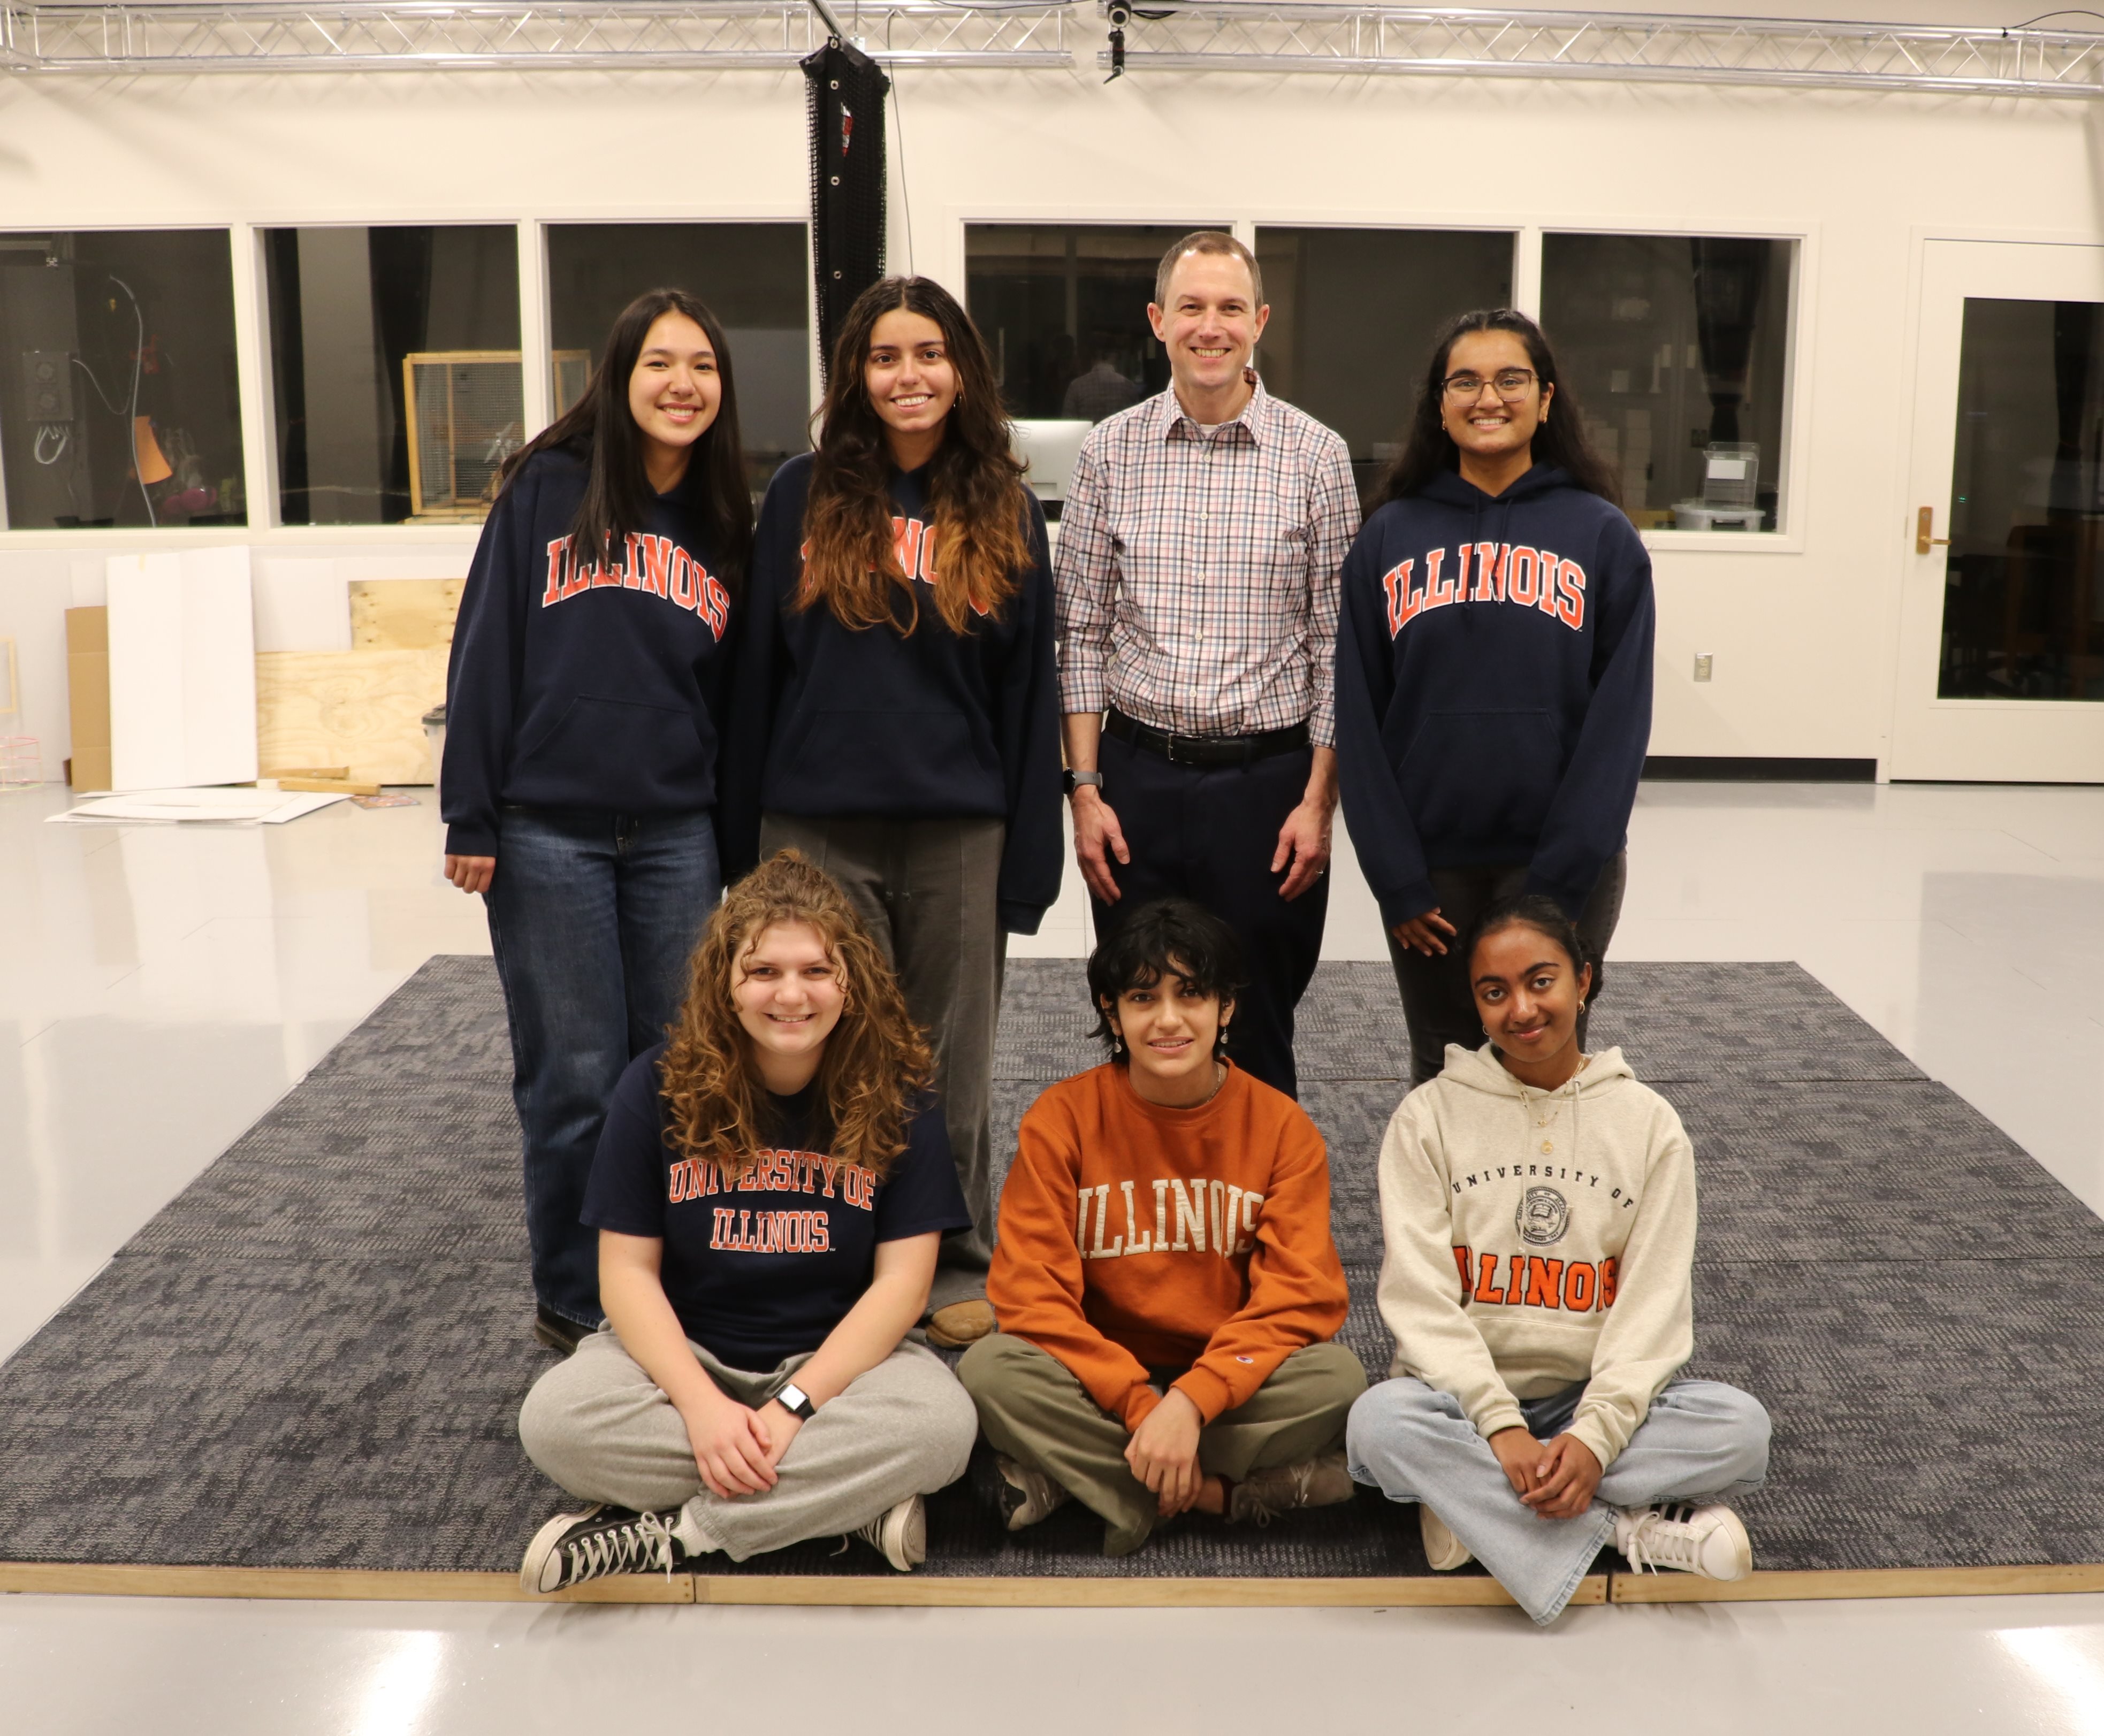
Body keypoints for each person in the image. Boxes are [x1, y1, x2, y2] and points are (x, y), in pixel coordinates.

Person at [717, 276, 1063, 1351]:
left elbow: (1027, 692)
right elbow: (756, 674)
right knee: (825, 1045)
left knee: (947, 1063)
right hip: (815, 825)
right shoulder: (800, 495)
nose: (906, 375)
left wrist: (1027, 862)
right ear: (854, 377)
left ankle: (955, 1256)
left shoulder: (1002, 505)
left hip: (959, 822)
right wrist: (744, 844)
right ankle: (838, 1250)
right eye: (883, 357)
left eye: (927, 354)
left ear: (961, 370)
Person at [515, 852, 980, 1590]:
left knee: (943, 1429)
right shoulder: (657, 1084)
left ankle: (684, 1532)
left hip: (838, 1371)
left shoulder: (898, 1091)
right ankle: (843, 1506)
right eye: (764, 971)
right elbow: (626, 1274)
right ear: (724, 984)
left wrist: (795, 1407)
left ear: (850, 980)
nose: (790, 995)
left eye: (816, 971)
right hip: (682, 1360)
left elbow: (902, 1287)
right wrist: (702, 1408)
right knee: (555, 1421)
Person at [442, 288, 752, 1352]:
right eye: (660, 363)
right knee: (573, 1078)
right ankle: (577, 1301)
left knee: (680, 1069)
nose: (683, 384)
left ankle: (660, 1286)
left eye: (702, 365)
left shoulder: (723, 521)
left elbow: (730, 699)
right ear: (618, 379)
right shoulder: (548, 489)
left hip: (674, 833)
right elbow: (487, 651)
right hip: (546, 832)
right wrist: (468, 812)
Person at [1345, 894, 1771, 1624]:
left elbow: (1653, 1310)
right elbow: (1419, 1302)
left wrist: (1595, 1439)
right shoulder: (1428, 1117)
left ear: (1584, 978)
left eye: (1541, 981)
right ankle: (1625, 1527)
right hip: (1460, 1403)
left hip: (1589, 1396)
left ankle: (1477, 1513)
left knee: (1740, 1427)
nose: (1521, 1008)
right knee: (1378, 1426)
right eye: (1494, 992)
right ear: (1475, 1007)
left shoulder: (1649, 1125)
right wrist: (1500, 1426)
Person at [958, 898, 1366, 1558]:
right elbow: (1031, 1298)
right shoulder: (1060, 1118)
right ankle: (1216, 1494)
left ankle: (1085, 1480)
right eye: (1143, 997)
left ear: (1225, 1008)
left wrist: (1191, 1401)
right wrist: (1142, 1406)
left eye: (1192, 994)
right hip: (1094, 1372)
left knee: (1338, 1379)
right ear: (1110, 1010)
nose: (1168, 1019)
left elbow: (1298, 1297)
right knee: (989, 1369)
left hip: (1226, 1371)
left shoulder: (1281, 1127)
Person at [1056, 231, 1360, 1102]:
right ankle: (1150, 1223)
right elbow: (1079, 633)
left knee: (1255, 1017)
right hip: (1137, 782)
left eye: (1230, 308)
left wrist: (1317, 801)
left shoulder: (1316, 457)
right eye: (1191, 307)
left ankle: (1257, 1227)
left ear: (1258, 321)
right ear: (1158, 320)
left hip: (1267, 789)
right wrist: (1084, 791)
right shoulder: (1108, 453)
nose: (1210, 327)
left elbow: (1335, 645)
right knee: (1140, 1010)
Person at [1334, 308, 1653, 1088]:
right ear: (1438, 405)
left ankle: (1552, 1213)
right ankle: (1442, 1216)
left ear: (1546, 399)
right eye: (1466, 381)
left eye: (1511, 379)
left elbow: (1619, 724)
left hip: (1561, 863)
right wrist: (1395, 875)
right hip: (1431, 872)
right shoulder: (1388, 535)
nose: (1489, 397)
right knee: (1446, 1069)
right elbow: (1360, 717)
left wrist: (1559, 882)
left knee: (1542, 1061)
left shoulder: (1603, 535)